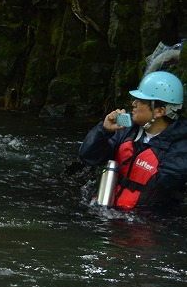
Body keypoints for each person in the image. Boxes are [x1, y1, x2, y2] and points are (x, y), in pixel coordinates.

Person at [79, 70, 187, 209]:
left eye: (140, 100)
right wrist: (104, 131)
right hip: (104, 209)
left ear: (159, 111)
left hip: (145, 223)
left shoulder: (180, 148)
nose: (133, 103)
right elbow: (88, 157)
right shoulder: (126, 128)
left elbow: (165, 186)